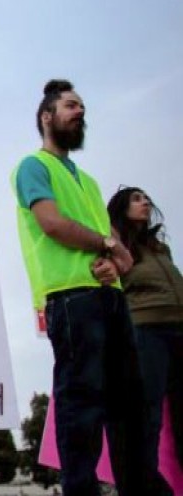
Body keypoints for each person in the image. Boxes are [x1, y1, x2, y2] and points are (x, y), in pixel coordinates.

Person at [11, 79, 170, 495]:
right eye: (70, 105)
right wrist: (105, 247)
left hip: (111, 300)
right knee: (82, 405)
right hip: (70, 298)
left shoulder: (92, 183)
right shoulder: (33, 166)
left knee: (129, 408)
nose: (80, 111)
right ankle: (80, 488)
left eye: (82, 106)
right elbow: (52, 223)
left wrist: (112, 261)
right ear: (47, 117)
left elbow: (124, 257)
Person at [107, 187, 183, 471]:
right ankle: (145, 479)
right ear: (122, 208)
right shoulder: (116, 245)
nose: (146, 203)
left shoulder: (160, 247)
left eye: (147, 198)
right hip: (145, 330)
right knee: (147, 412)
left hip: (179, 327)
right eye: (137, 199)